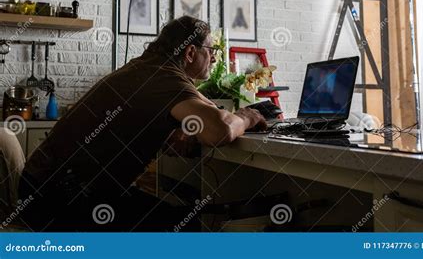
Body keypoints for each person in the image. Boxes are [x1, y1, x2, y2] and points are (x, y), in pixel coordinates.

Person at [18, 16, 266, 232]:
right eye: (211, 50)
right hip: (58, 200)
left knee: (175, 215)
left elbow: (200, 110)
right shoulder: (164, 77)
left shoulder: (147, 67)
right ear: (190, 52)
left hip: (45, 189)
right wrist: (248, 116)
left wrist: (172, 134)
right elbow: (218, 130)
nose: (214, 58)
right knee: (187, 225)